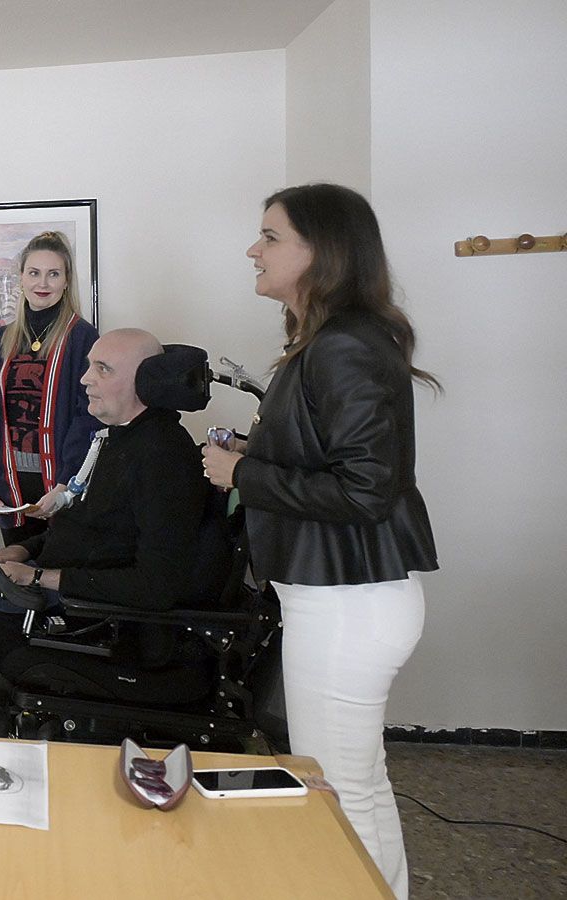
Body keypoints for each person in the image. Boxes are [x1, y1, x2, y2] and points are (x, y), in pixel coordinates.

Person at [203, 183, 438, 899]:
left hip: (349, 606)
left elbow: (367, 491)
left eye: (270, 236)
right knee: (358, 785)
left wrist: (244, 470)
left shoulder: (343, 345)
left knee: (337, 791)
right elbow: (336, 459)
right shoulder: (335, 341)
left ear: (322, 252)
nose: (254, 249)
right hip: (343, 599)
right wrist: (256, 450)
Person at [0, 329, 209, 737]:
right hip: (73, 587)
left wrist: (38, 577)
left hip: (107, 622)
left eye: (102, 369)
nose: (84, 378)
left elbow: (157, 585)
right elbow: (85, 531)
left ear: (145, 382)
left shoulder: (162, 456)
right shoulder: (119, 438)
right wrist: (21, 553)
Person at [0, 231, 102, 545]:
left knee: (53, 583)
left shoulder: (82, 337)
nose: (43, 283)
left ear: (67, 280)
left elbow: (90, 419)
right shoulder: (2, 340)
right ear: (21, 278)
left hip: (61, 492)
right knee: (15, 583)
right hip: (9, 493)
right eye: (34, 273)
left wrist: (67, 484)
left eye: (53, 274)